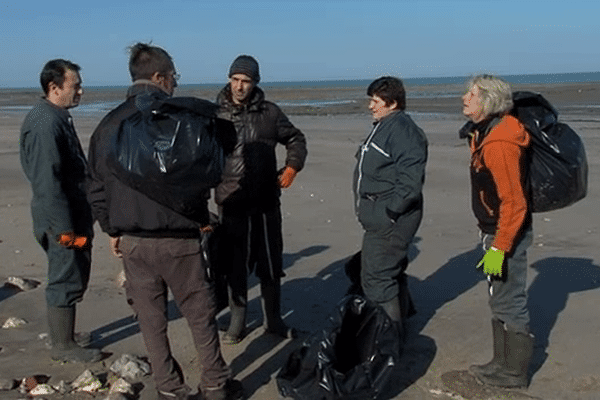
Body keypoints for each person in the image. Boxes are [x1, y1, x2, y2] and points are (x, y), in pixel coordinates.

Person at [87, 43, 243, 400]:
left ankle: (170, 388)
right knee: (199, 314)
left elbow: (94, 185)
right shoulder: (182, 117)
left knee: (151, 320)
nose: (174, 84)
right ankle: (215, 384)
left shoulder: (109, 124)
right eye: (173, 77)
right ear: (159, 77)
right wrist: (203, 211)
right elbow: (213, 167)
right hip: (180, 237)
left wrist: (111, 227)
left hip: (132, 240)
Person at [215, 55, 307, 344]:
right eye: (235, 80)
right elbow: (201, 156)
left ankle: (274, 320)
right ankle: (237, 321)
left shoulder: (270, 113)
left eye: (246, 81)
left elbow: (296, 138)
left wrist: (292, 166)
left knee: (269, 264)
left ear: (255, 83)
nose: (240, 86)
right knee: (235, 266)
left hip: (266, 201)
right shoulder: (214, 114)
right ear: (229, 79)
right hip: (230, 202)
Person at [19, 59, 102, 364]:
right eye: (75, 85)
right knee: (66, 274)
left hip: (71, 218)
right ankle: (63, 345)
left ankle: (64, 335)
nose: (81, 90)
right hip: (61, 223)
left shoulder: (56, 117)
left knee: (76, 269)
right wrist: (64, 228)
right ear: (54, 88)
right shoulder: (44, 122)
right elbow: (47, 182)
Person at [461, 74, 534, 389]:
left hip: (506, 233)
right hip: (494, 229)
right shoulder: (486, 132)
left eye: (471, 94)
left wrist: (500, 247)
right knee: (498, 296)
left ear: (488, 100)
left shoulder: (500, 141)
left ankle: (514, 372)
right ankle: (500, 362)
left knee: (509, 299)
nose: (464, 98)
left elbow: (514, 203)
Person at [352, 76, 428, 337]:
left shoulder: (403, 131)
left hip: (391, 219)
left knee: (377, 279)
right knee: (386, 272)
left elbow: (410, 182)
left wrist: (389, 212)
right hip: (379, 216)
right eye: (370, 100)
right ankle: (399, 325)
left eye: (376, 101)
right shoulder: (384, 126)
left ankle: (389, 342)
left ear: (393, 102)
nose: (371, 106)